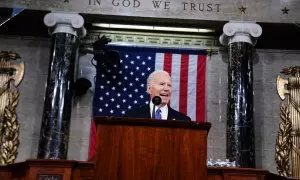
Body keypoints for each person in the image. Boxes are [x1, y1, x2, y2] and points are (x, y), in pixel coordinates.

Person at [125, 70, 191, 121]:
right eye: (162, 84)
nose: (166, 89)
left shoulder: (183, 120)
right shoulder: (131, 116)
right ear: (149, 89)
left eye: (169, 85)